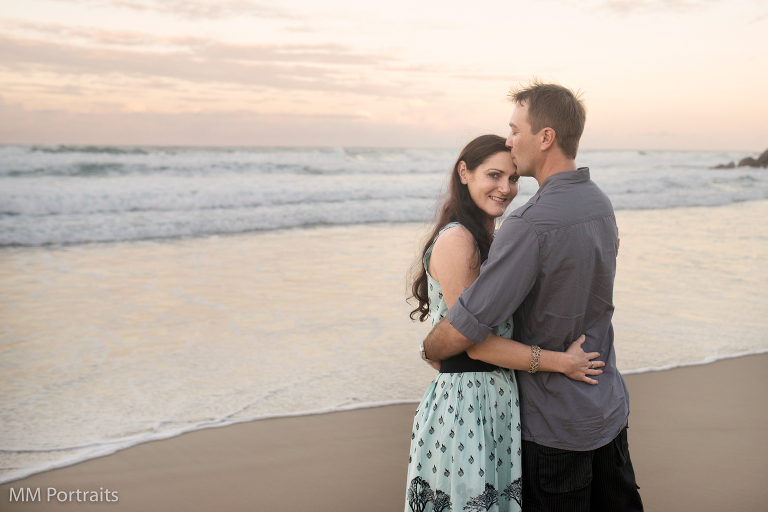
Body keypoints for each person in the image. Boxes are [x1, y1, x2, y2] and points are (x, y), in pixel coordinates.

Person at [422, 82, 644, 511]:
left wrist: (429, 345)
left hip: (555, 424)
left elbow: (466, 326)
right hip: (607, 409)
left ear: (545, 138)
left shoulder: (529, 224)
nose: (509, 139)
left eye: (515, 129)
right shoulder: (600, 203)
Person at [405, 134, 606, 512]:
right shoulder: (458, 240)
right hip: (465, 407)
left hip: (495, 399)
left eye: (513, 179)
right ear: (464, 173)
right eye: (494, 175)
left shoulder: (491, 238)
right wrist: (561, 362)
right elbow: (474, 341)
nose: (506, 188)